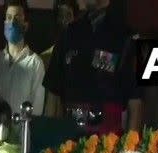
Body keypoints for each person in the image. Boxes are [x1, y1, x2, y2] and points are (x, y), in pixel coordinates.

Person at [43, 0, 142, 134]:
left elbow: (135, 104)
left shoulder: (125, 38)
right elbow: (53, 95)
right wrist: (48, 141)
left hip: (107, 144)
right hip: (68, 143)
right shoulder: (69, 35)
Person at [0, 0, 45, 116]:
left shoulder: (35, 63)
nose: (12, 23)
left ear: (25, 25)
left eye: (17, 19)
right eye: (9, 17)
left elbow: (37, 109)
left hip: (22, 132)